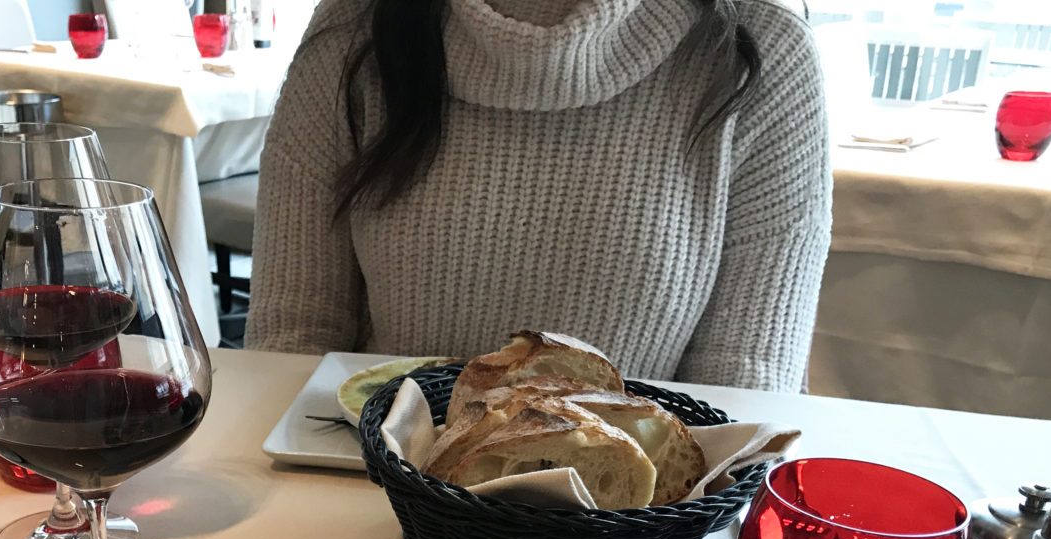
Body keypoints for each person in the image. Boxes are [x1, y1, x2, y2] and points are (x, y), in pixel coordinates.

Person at [245, 0, 831, 392]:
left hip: (640, 525)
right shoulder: (353, 31)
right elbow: (292, 342)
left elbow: (744, 394)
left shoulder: (762, 52)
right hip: (367, 492)